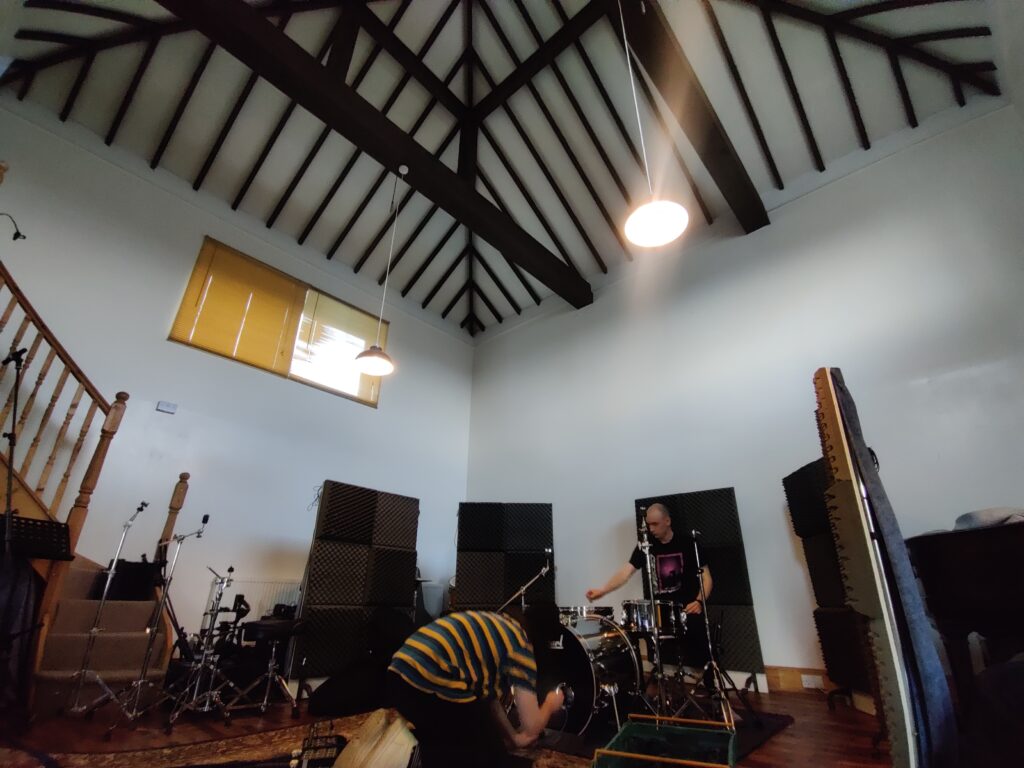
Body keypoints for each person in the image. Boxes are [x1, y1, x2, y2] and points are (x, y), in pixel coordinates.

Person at [386, 603, 565, 767]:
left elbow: (489, 701)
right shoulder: (520, 644)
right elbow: (532, 727)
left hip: (400, 674)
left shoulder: (499, 628)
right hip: (432, 677)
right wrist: (551, 703)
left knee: (442, 748)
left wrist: (513, 738)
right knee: (489, 755)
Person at [586, 503, 714, 689]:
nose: (651, 529)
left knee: (703, 638)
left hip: (687, 608)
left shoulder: (688, 543)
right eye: (648, 525)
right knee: (629, 635)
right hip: (659, 612)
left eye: (655, 524)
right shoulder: (645, 546)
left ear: (667, 521)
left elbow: (707, 578)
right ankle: (638, 686)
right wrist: (603, 590)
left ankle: (712, 687)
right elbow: (626, 572)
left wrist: (699, 601)